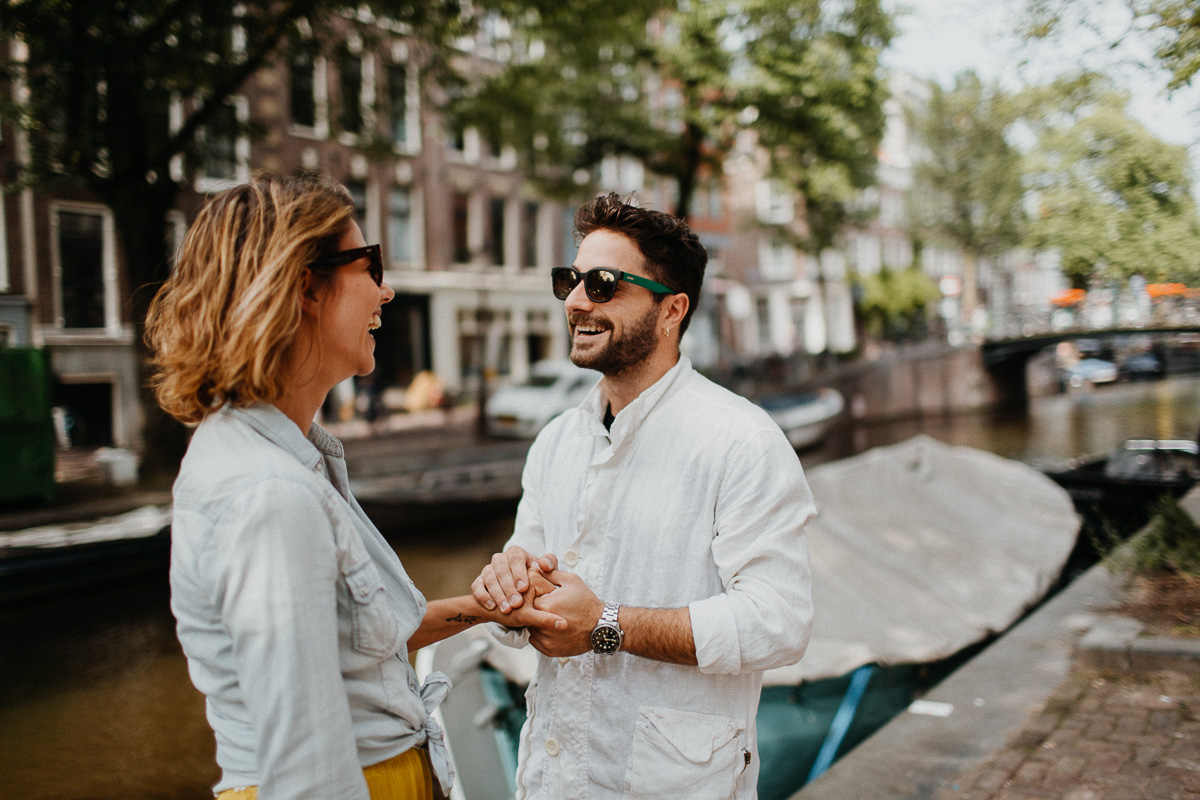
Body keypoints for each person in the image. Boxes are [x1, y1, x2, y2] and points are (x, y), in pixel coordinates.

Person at [145, 172, 562, 800]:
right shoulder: (270, 495)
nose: (387, 289)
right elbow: (307, 769)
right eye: (370, 264)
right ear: (305, 286)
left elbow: (362, 637)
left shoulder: (290, 456)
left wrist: (490, 608)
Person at [472, 193, 816, 799]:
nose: (577, 300)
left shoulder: (741, 441)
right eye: (571, 280)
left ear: (671, 311)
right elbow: (527, 571)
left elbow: (779, 623)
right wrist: (508, 586)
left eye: (603, 283)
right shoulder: (555, 442)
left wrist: (606, 625)